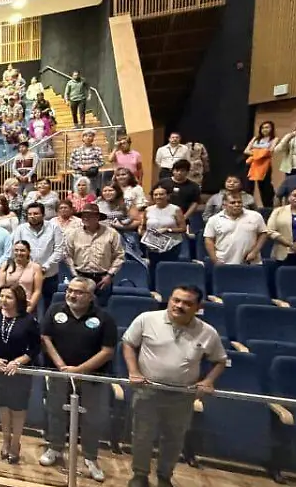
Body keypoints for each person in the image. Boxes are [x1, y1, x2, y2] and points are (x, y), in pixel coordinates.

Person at [123, 285, 226, 487]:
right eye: (176, 300)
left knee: (174, 439)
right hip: (148, 390)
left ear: (198, 307)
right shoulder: (147, 319)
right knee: (142, 436)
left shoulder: (208, 332)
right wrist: (133, 371)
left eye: (187, 303)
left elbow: (221, 360)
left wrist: (208, 381)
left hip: (182, 395)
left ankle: (164, 477)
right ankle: (140, 475)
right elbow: (128, 343)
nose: (179, 306)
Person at [38, 277, 116, 482]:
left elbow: (107, 351)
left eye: (78, 292)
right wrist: (62, 366)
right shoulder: (55, 310)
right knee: (56, 412)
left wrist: (79, 370)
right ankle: (55, 448)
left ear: (91, 296)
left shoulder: (104, 318)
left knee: (92, 419)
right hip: (60, 374)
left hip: (92, 378)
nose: (72, 295)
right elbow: (45, 338)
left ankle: (90, 457)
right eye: (70, 290)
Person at [0, 285, 40, 464]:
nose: (4, 301)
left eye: (9, 297)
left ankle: (15, 443)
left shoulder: (28, 320)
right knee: (3, 406)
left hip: (19, 371)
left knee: (17, 408)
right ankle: (6, 440)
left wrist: (18, 361)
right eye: (2, 296)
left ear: (18, 300)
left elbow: (35, 348)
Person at [63, 204, 124, 306]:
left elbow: (119, 256)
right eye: (83, 216)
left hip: (102, 278)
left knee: (101, 309)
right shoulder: (73, 234)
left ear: (97, 217)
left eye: (89, 215)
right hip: (80, 276)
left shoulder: (112, 233)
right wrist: (74, 274)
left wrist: (109, 275)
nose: (85, 218)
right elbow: (68, 255)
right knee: (79, 307)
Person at [13, 203, 65, 313]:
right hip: (27, 274)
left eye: (36, 213)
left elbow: (59, 251)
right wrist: (32, 268)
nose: (32, 216)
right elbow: (17, 250)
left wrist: (45, 267)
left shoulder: (54, 227)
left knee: (49, 306)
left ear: (43, 215)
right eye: (30, 214)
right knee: (27, 305)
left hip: (49, 274)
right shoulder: (21, 229)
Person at [141, 186, 187, 286]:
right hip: (152, 247)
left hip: (172, 246)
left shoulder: (175, 209)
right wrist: (146, 237)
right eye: (156, 194)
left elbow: (183, 228)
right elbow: (143, 228)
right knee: (153, 271)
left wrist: (168, 229)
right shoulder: (148, 210)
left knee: (169, 272)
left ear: (167, 196)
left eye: (161, 194)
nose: (158, 196)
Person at [204, 195, 268, 265]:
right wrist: (215, 260)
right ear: (224, 205)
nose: (237, 205)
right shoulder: (214, 220)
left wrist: (254, 252)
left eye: (239, 202)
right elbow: (209, 240)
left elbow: (263, 233)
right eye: (233, 203)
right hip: (224, 262)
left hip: (250, 262)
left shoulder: (255, 216)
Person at [0, 241, 43, 310]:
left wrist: (29, 308)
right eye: (16, 250)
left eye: (22, 251)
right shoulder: (5, 265)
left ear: (28, 252)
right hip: (7, 303)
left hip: (27, 304)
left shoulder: (36, 267)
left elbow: (37, 291)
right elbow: (1, 288)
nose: (19, 253)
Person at [244, 121, 278, 207]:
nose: (265, 129)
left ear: (271, 129)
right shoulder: (255, 139)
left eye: (267, 127)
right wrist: (261, 152)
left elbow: (270, 151)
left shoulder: (274, 139)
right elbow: (246, 151)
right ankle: (249, 205)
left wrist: (255, 151)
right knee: (249, 186)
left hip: (264, 165)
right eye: (263, 128)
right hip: (253, 164)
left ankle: (268, 206)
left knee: (265, 187)